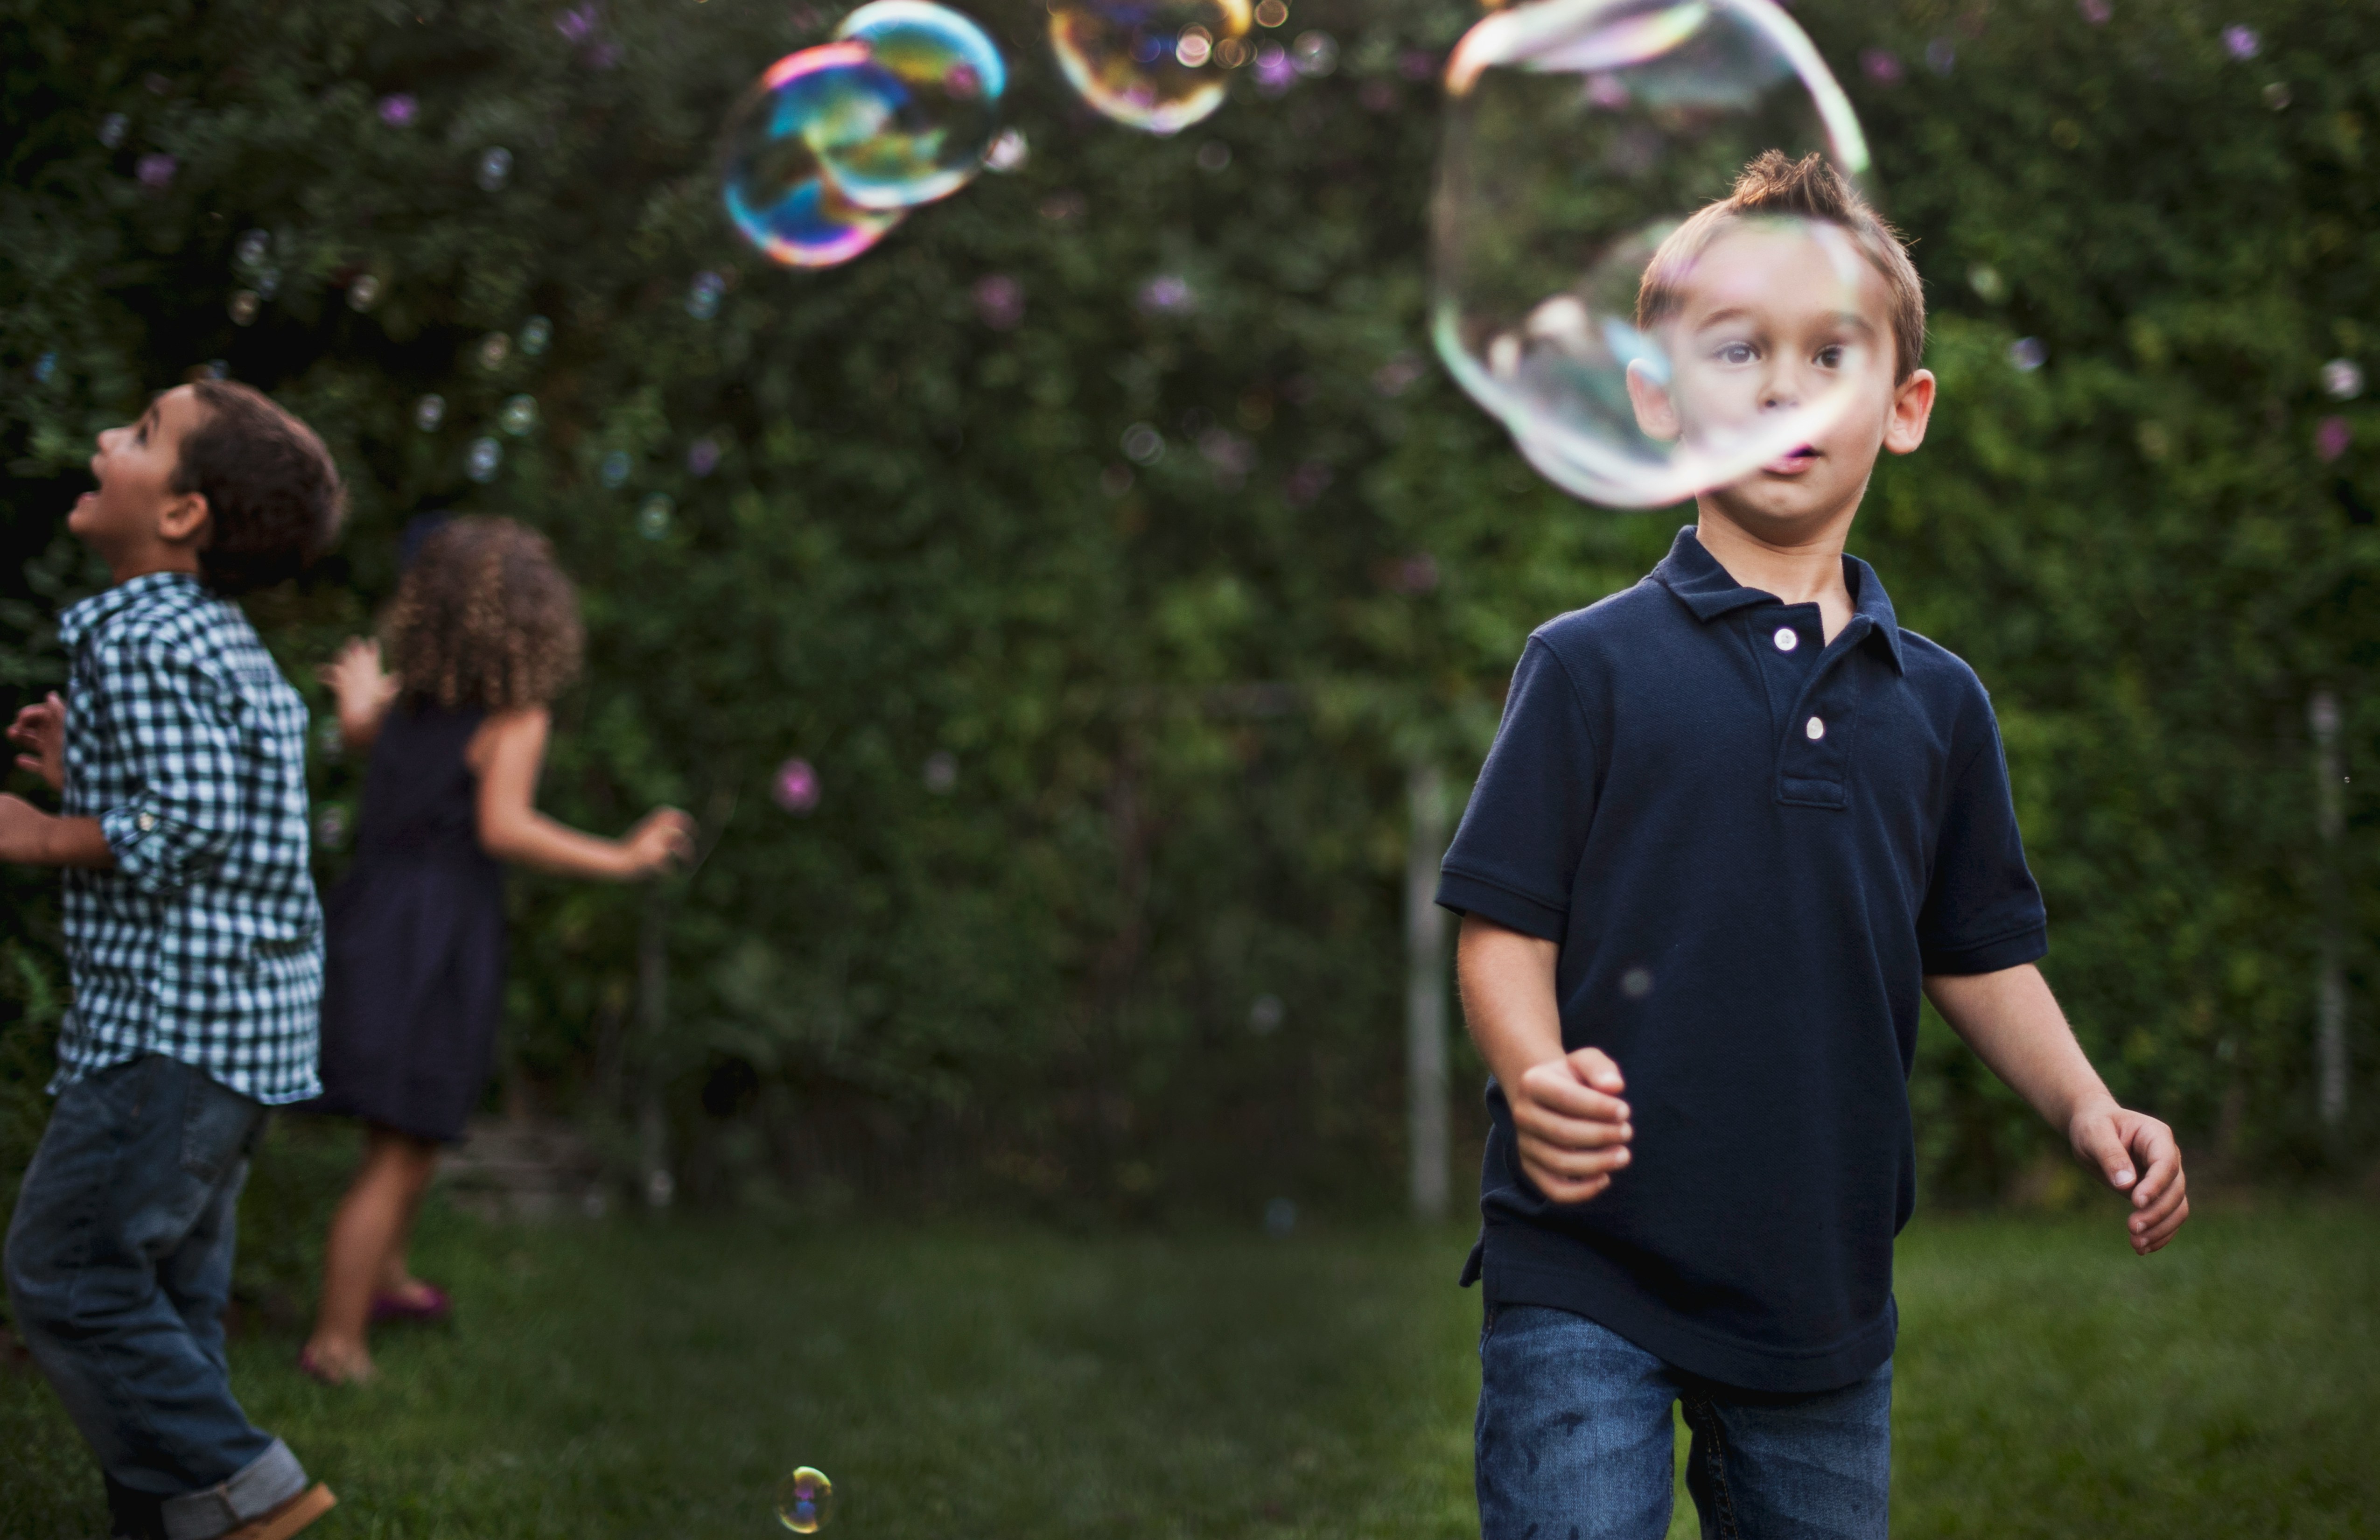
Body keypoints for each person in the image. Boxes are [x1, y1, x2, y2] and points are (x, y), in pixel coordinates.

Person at [1439, 151, 2190, 1540]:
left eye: (1827, 354)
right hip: (1585, 1261)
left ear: (1901, 409)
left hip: (1816, 1284)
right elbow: (1503, 919)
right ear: (1658, 405)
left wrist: (2086, 1104)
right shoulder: (1588, 665)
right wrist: (1534, 1069)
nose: (1783, 389)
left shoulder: (1939, 703)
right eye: (1736, 352)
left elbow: (1976, 950)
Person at [1, 380, 346, 1540]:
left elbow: (188, 821)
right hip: (244, 1037)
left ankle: (256, 1489)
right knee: (167, 1302)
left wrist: (47, 833)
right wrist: (82, 777)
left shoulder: (142, 633)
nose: (105, 440)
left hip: (167, 1034)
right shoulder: (219, 644)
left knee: (68, 1275)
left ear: (185, 514)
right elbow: (226, 810)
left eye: (140, 435)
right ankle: (180, 1529)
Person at [298, 515, 693, 1386]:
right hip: (437, 934)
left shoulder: (411, 703)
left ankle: (390, 1280)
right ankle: (336, 1340)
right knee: (398, 1149)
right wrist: (622, 857)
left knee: (415, 1126)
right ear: (531, 622)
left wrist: (358, 696)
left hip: (372, 919)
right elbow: (503, 825)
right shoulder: (513, 716)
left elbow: (364, 733)